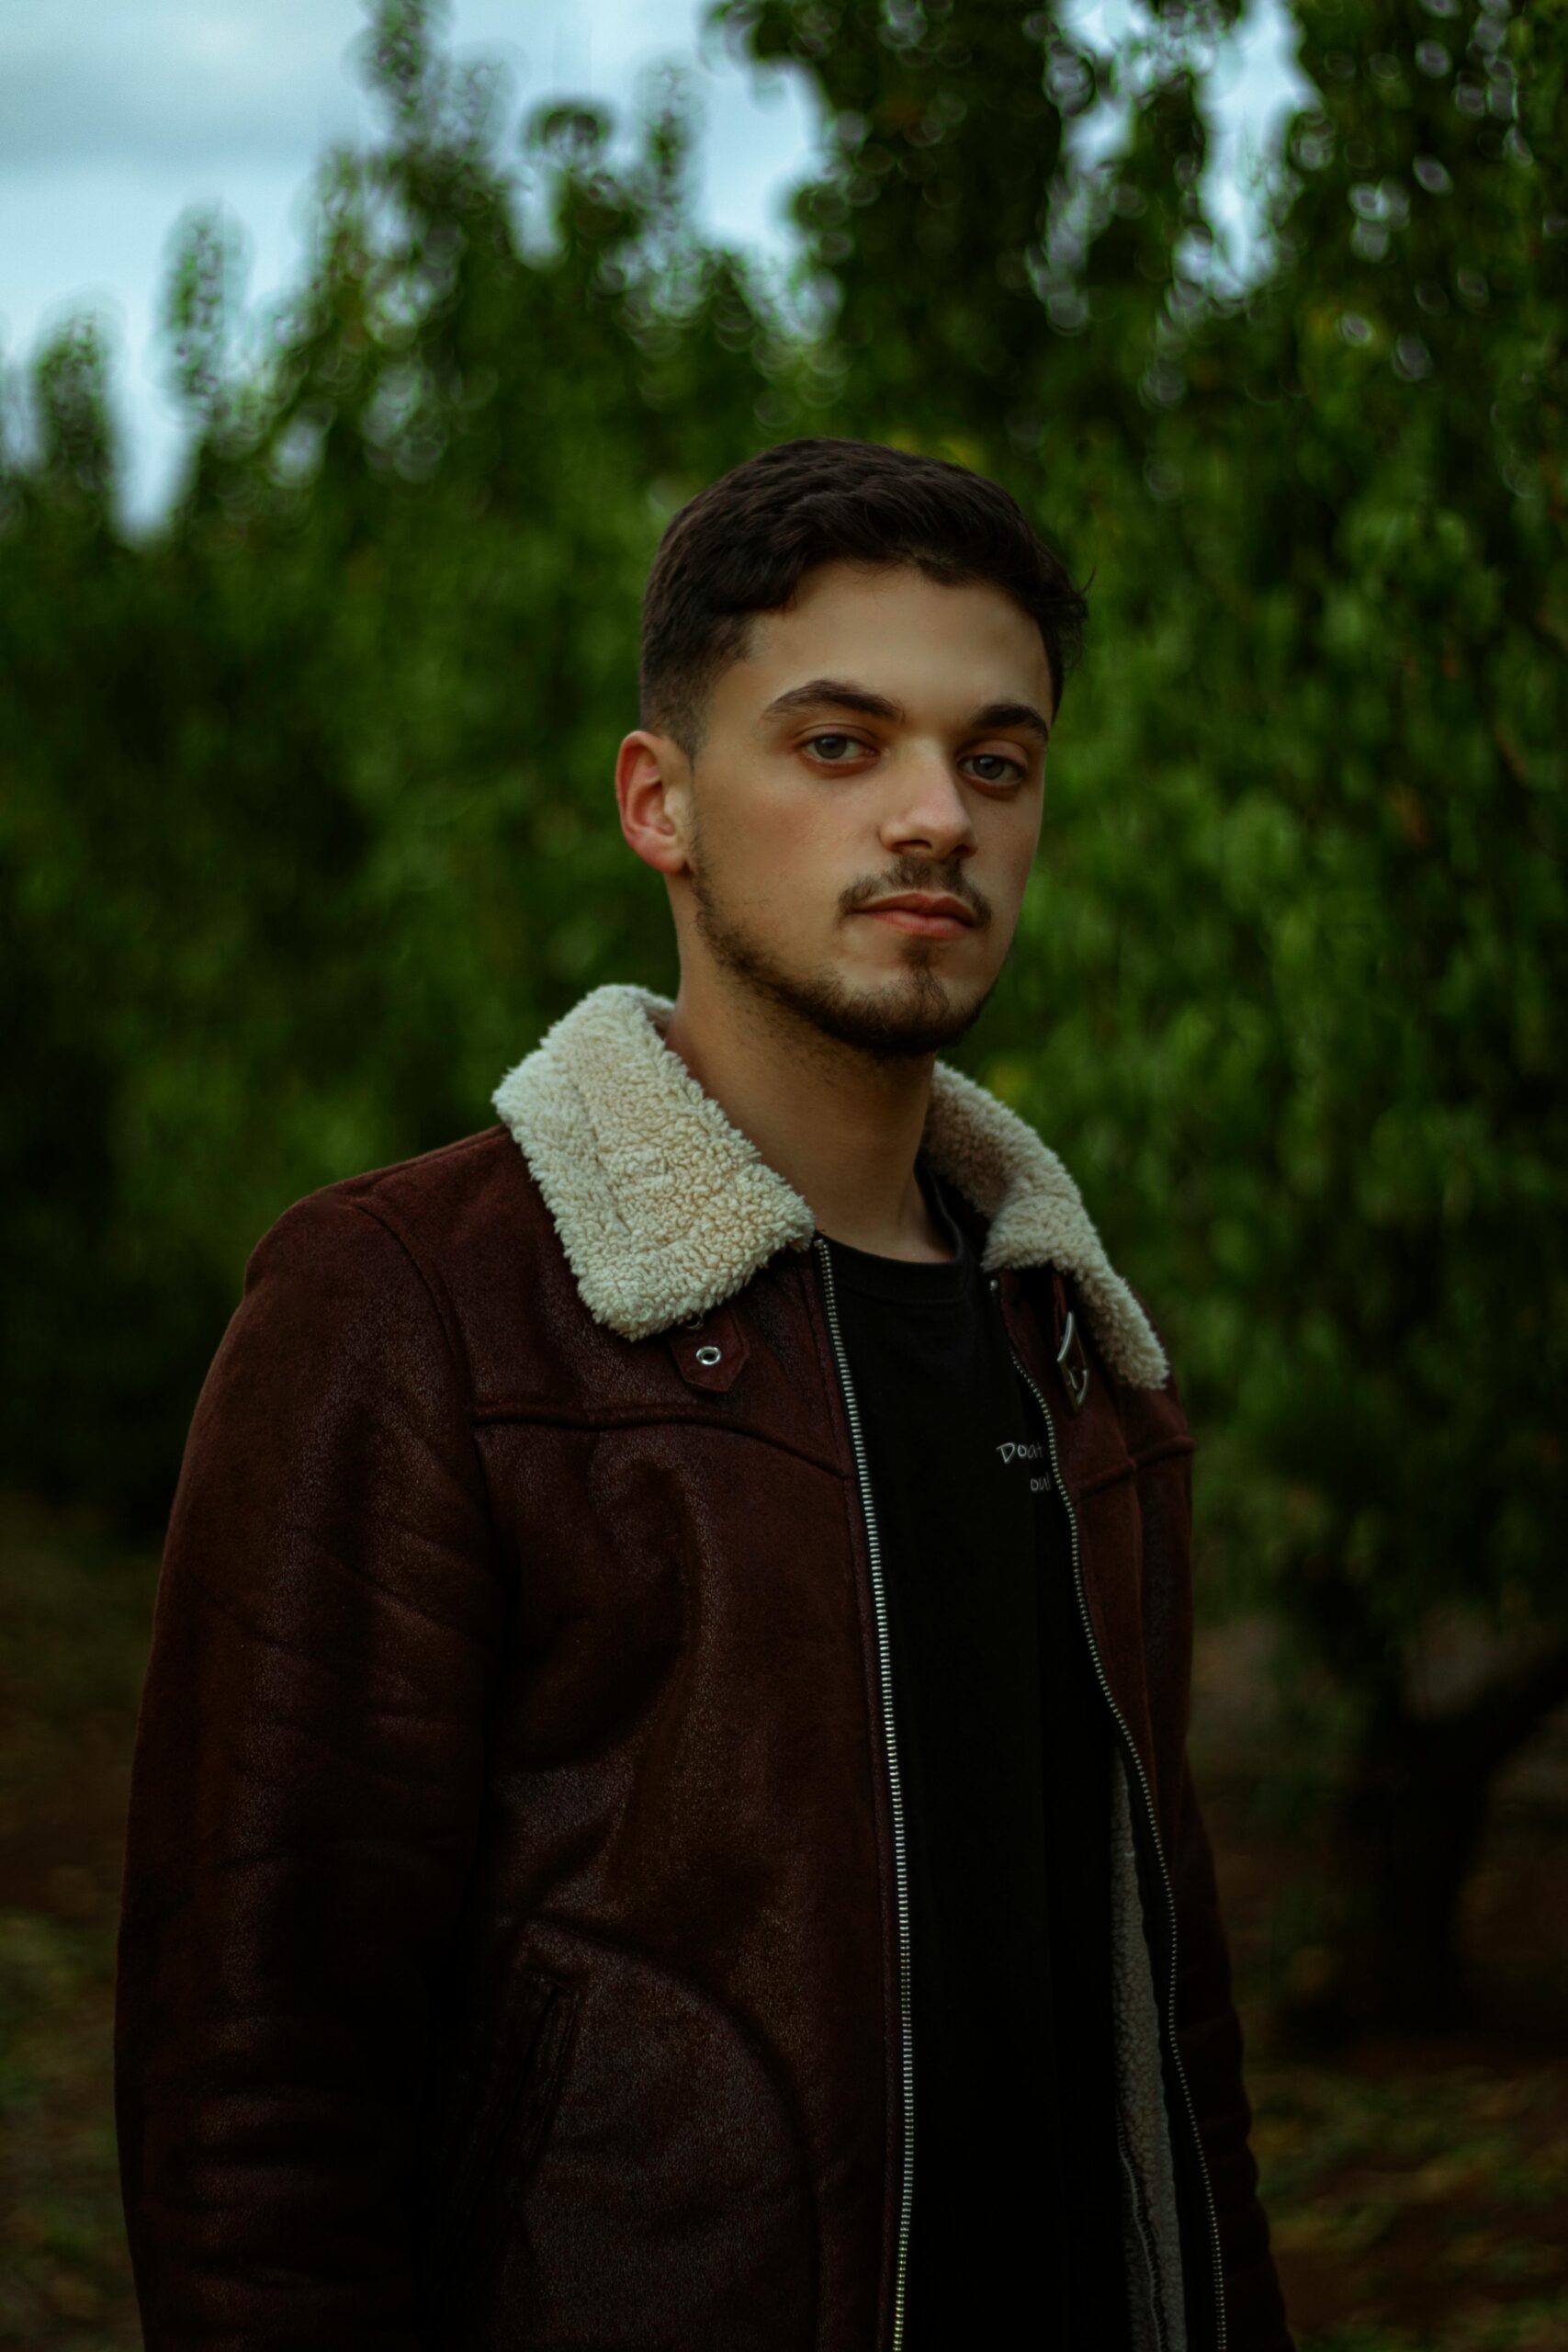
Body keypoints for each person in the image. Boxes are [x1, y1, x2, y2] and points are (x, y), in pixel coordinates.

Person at [114, 435, 1293, 2351]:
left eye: (996, 761)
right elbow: (257, 2085)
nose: (936, 817)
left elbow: (1179, 2050)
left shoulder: (1081, 1352)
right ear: (657, 802)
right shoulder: (411, 1310)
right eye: (839, 744)